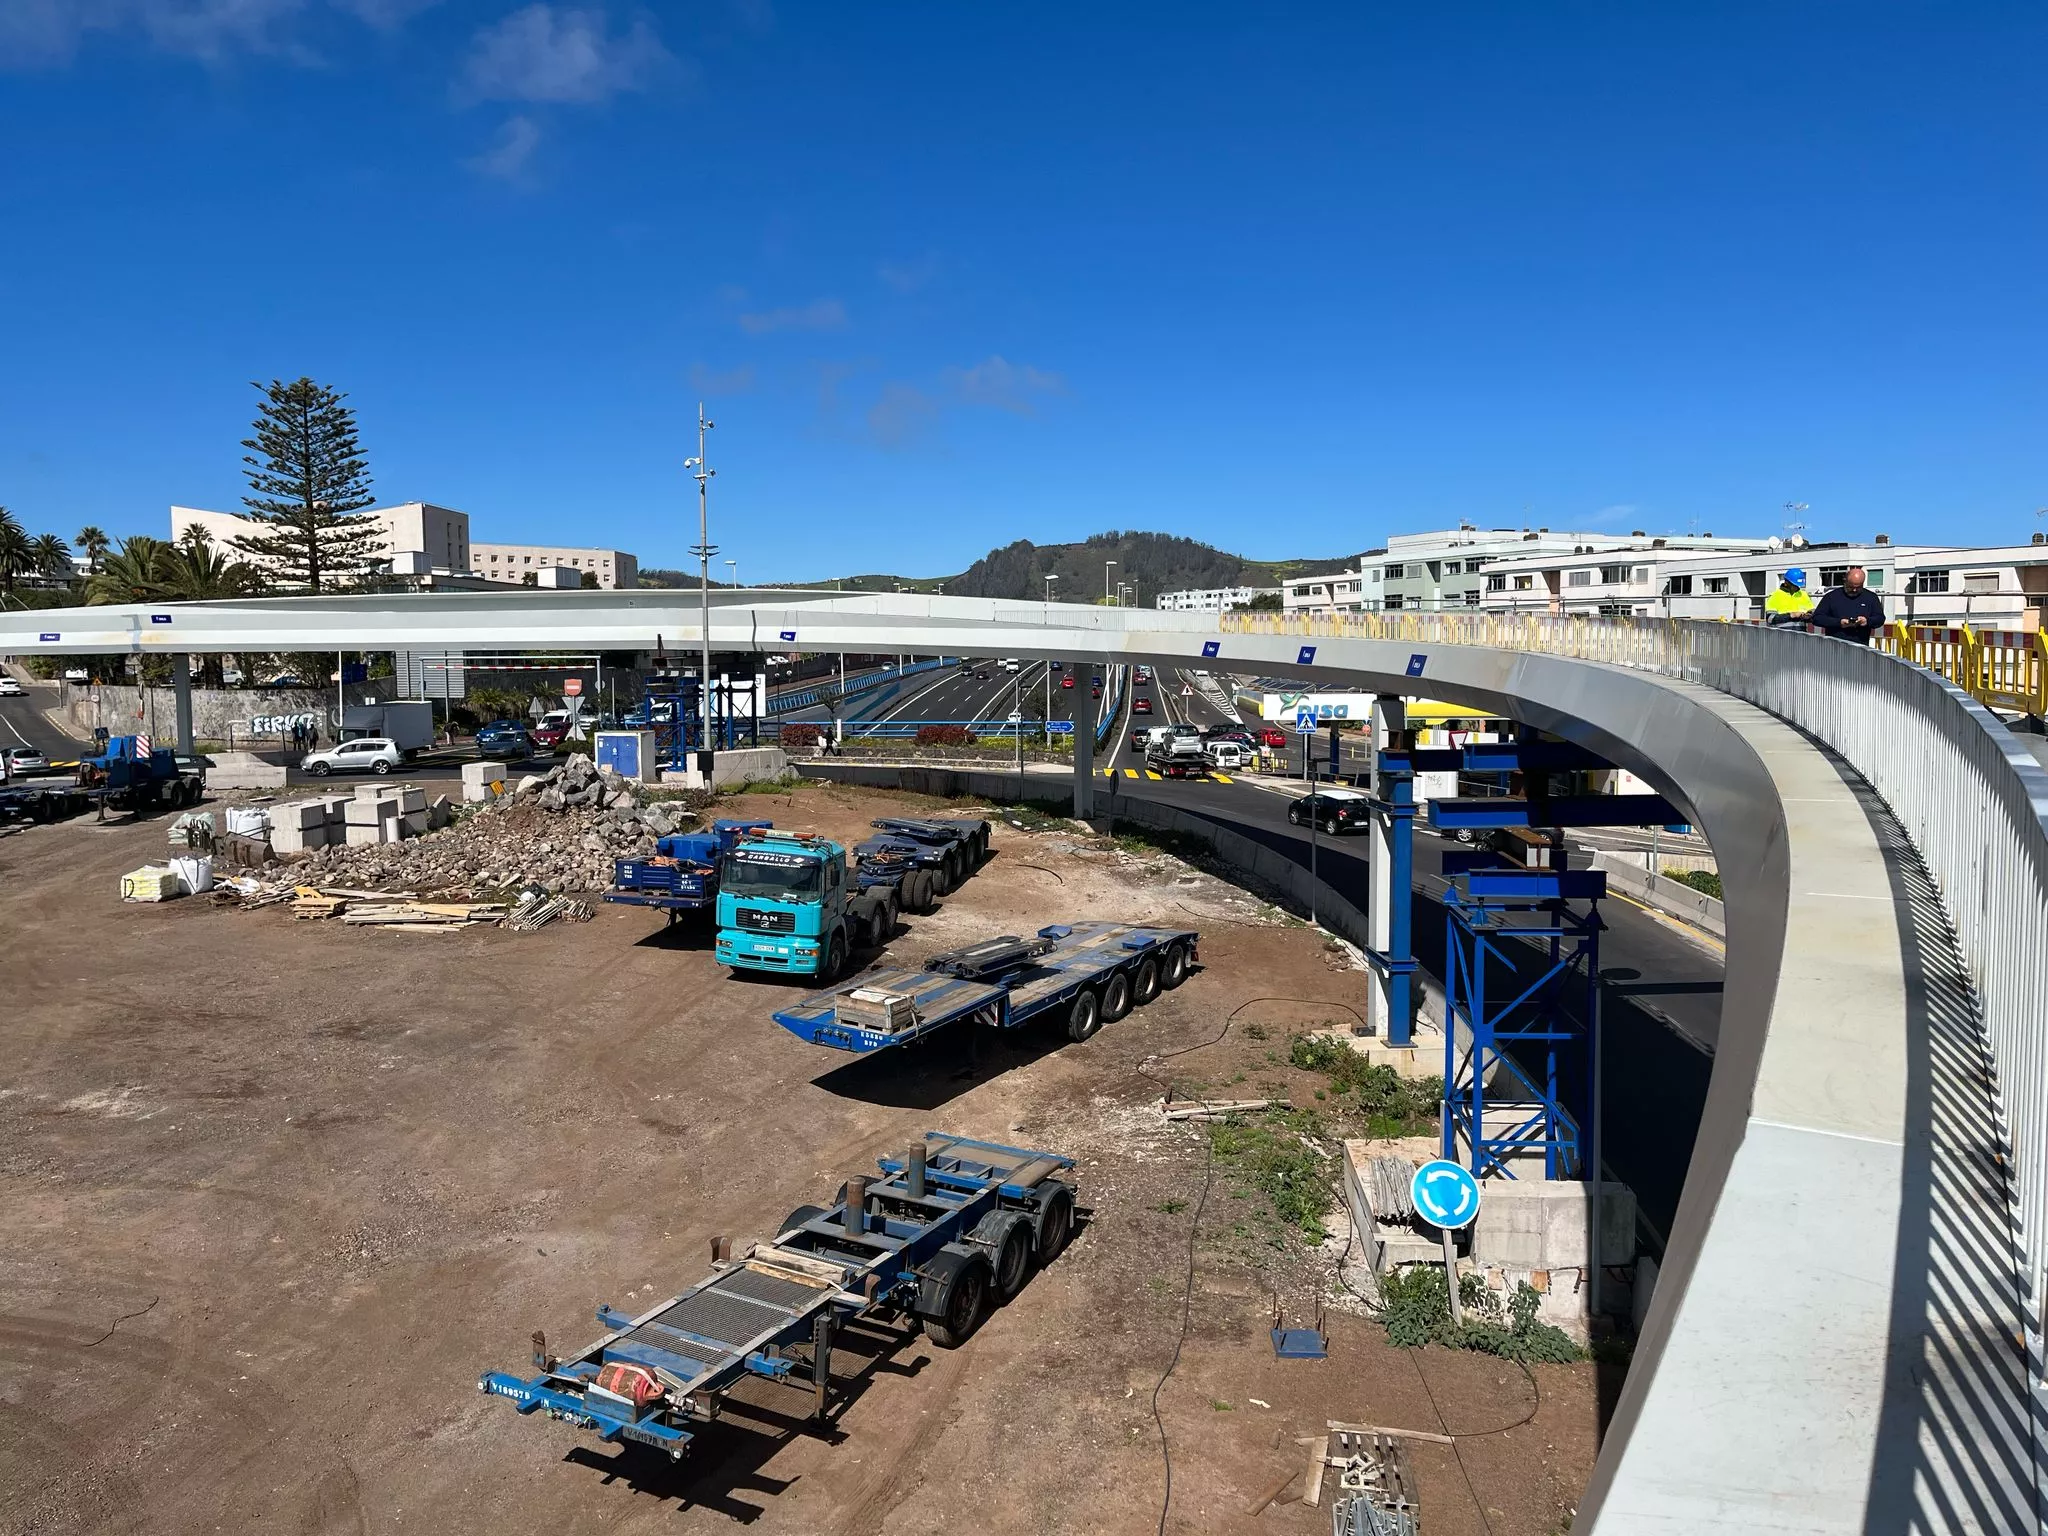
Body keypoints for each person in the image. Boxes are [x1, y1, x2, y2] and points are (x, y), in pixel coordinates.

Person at [1811, 564, 1886, 644]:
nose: (1854, 590)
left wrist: (1867, 621)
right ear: (1845, 581)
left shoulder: (1871, 597)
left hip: (1860, 646)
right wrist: (1839, 623)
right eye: (1851, 587)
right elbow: (1817, 618)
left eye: (1858, 587)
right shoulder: (1831, 597)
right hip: (1834, 646)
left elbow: (1880, 618)